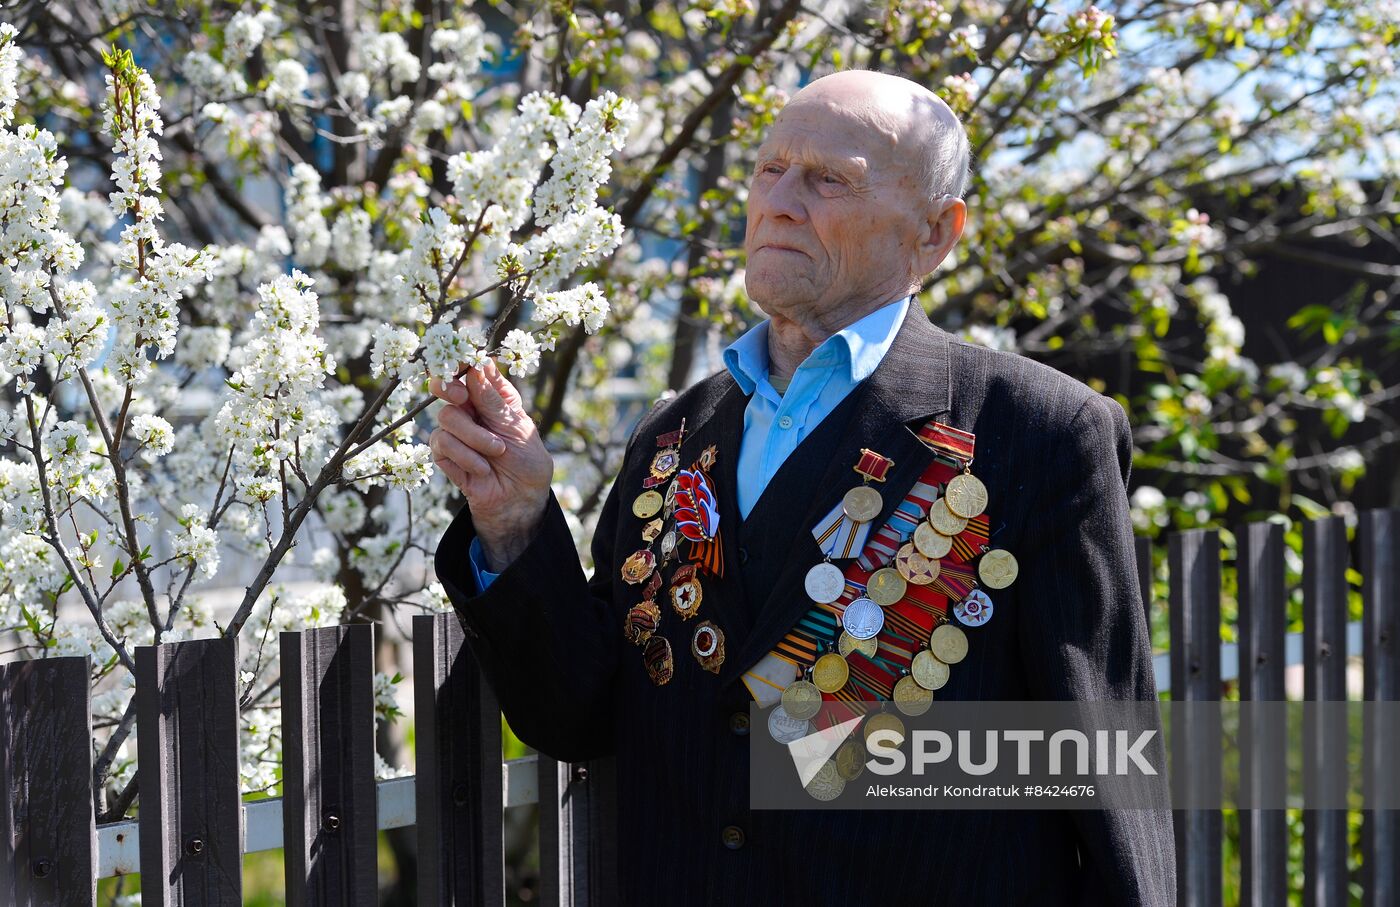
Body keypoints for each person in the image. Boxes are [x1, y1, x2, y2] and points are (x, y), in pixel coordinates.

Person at [431, 70, 1175, 904]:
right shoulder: (672, 437)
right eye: (769, 168)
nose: (780, 201)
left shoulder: (1037, 433)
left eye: (829, 179)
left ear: (935, 232)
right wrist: (516, 523)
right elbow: (581, 716)